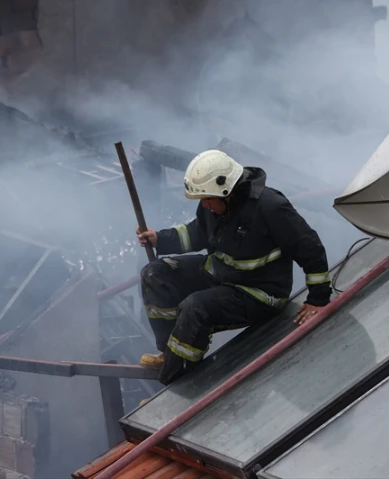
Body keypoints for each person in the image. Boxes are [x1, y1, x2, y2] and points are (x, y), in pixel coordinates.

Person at [135, 149, 332, 385]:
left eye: (208, 199)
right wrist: (160, 239)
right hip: (220, 275)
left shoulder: (270, 207)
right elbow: (198, 232)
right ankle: (171, 354)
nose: (204, 204)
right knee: (154, 273)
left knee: (196, 307)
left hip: (258, 293)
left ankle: (175, 381)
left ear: (226, 191)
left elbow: (308, 247)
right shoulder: (213, 203)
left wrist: (318, 299)